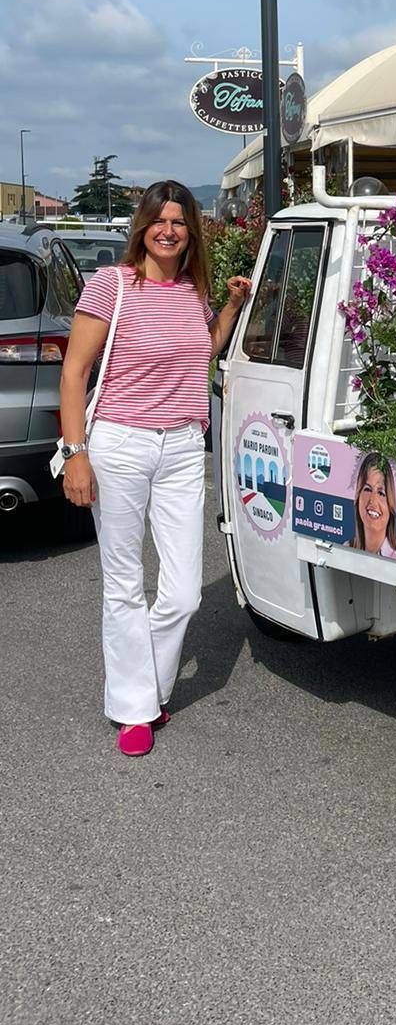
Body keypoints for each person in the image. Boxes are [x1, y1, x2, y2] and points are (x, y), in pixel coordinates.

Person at [59, 181, 251, 757]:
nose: (169, 231)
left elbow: (201, 352)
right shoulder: (111, 285)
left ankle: (144, 684)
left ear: (192, 231)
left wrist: (230, 309)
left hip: (184, 448)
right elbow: (74, 373)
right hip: (119, 445)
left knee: (184, 592)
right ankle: (134, 707)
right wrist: (76, 454)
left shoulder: (193, 291)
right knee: (123, 584)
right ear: (142, 226)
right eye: (160, 220)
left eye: (180, 222)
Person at [351, 452, 396, 558]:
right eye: (367, 489)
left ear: (390, 506)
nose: (373, 501)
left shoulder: (395, 563)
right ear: (358, 496)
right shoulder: (346, 548)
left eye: (381, 493)